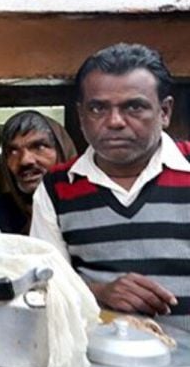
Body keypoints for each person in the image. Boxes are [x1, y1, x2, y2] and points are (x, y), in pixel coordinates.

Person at [31, 42, 188, 319]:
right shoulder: (56, 189)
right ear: (81, 116)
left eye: (134, 107)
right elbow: (43, 284)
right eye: (97, 109)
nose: (115, 121)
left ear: (164, 112)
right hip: (99, 359)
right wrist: (98, 292)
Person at [0, 110, 76, 234]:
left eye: (39, 146)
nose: (24, 161)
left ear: (61, 151)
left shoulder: (90, 203)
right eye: (13, 151)